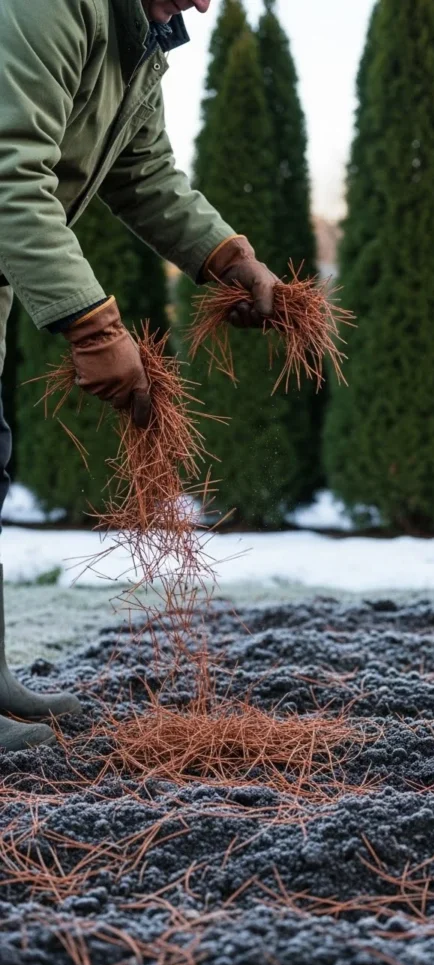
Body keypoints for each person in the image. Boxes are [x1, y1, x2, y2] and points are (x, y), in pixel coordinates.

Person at [0, 0, 278, 751]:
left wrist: (225, 254)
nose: (203, 4)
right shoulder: (50, 7)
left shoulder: (135, 40)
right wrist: (92, 323)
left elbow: (144, 170)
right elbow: (8, 171)